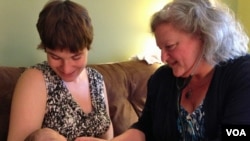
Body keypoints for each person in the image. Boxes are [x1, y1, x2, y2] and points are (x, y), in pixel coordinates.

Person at [79, 0, 250, 140]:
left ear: (203, 36)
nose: (163, 58)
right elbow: (144, 128)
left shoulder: (242, 74)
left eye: (170, 46)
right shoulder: (162, 79)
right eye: (160, 48)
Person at [7, 0, 113, 141]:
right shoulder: (35, 80)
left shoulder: (97, 79)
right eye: (55, 56)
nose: (66, 68)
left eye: (76, 57)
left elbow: (109, 136)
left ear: (88, 46)